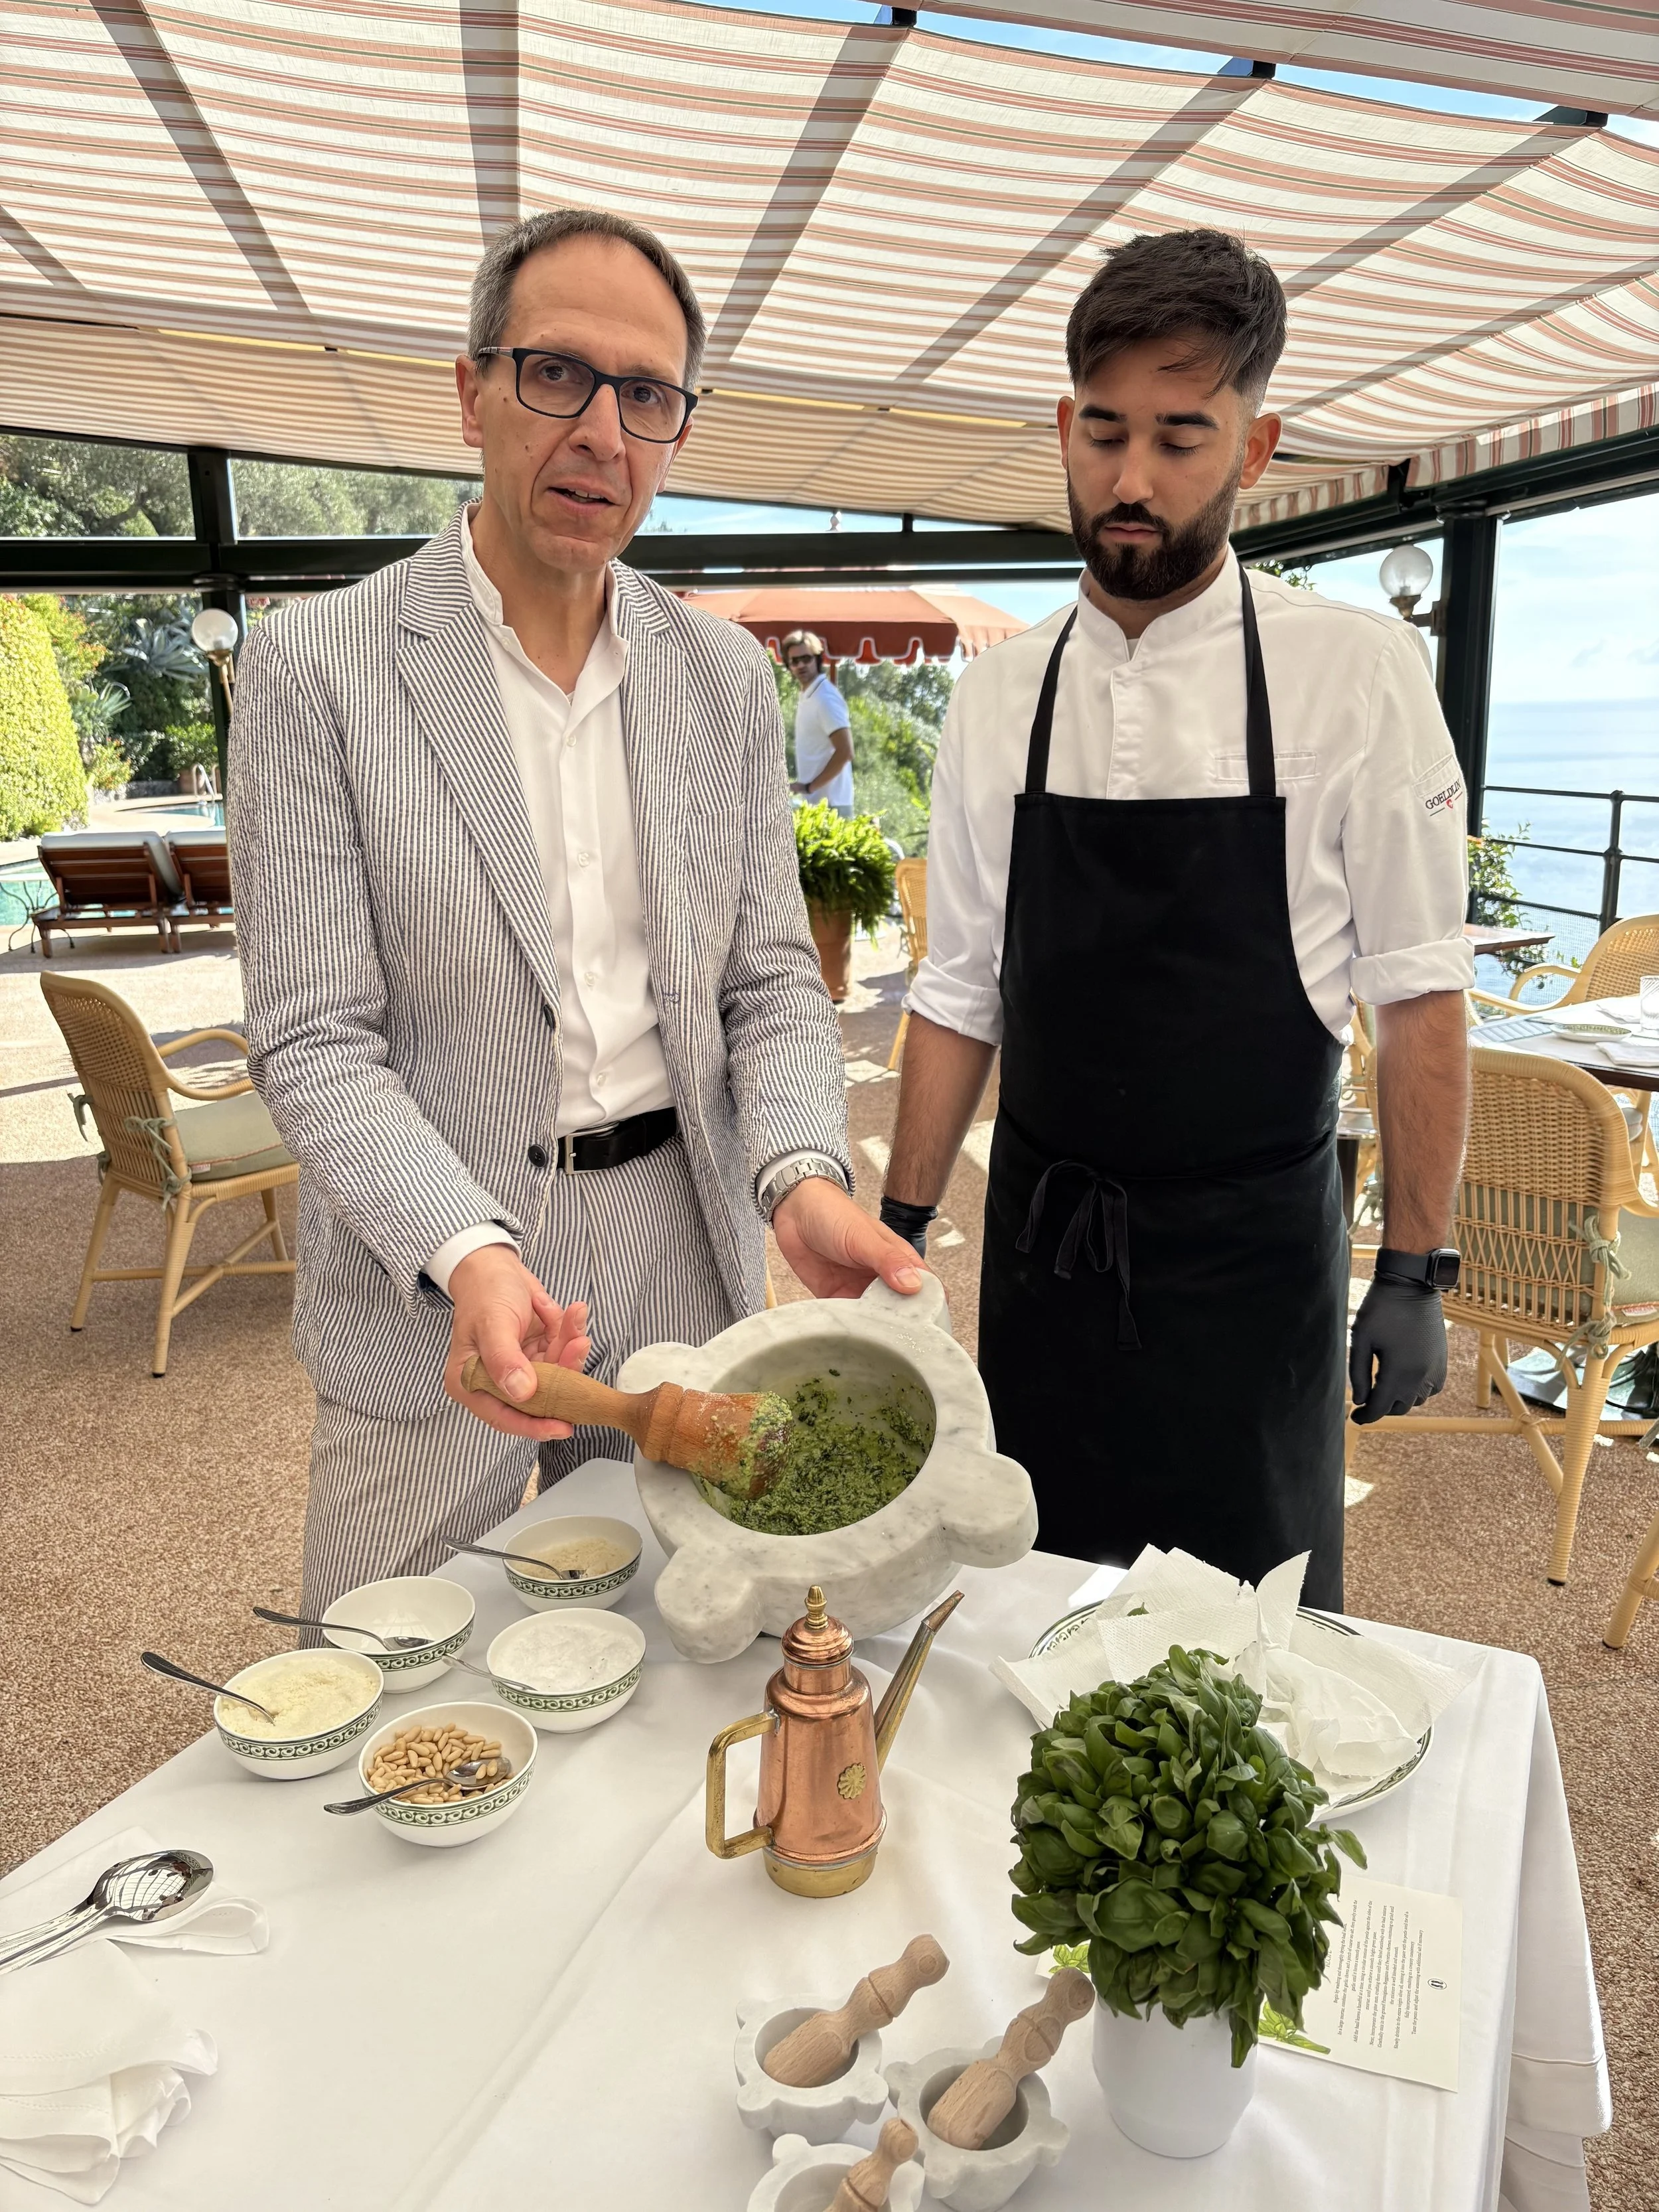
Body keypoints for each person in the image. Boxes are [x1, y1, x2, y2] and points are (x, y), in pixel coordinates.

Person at [231, 208, 923, 1613]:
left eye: (647, 395)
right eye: (557, 374)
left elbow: (770, 982)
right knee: (384, 1650)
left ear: (675, 431)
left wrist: (801, 1170)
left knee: (692, 1634)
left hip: (680, 1232)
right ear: (472, 391)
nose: (603, 431)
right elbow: (313, 1037)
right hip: (433, 1262)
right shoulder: (314, 668)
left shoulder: (720, 676)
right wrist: (468, 1247)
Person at [878, 229, 1473, 1608]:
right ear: (1064, 428)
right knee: (1029, 1610)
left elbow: (1416, 993)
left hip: (1252, 1262)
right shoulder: (999, 694)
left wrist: (1413, 1265)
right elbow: (959, 989)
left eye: (1179, 437)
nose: (1130, 479)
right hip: (1045, 1251)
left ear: (1253, 448)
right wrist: (898, 1226)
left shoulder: (1354, 671)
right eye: (1103, 432)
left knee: (1249, 1644)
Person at [784, 630, 855, 816]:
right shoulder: (809, 695)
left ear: (817, 659)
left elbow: (846, 751)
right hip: (817, 805)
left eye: (806, 658)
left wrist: (810, 787)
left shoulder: (825, 697)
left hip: (834, 806)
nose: (801, 665)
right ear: (789, 666)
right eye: (795, 661)